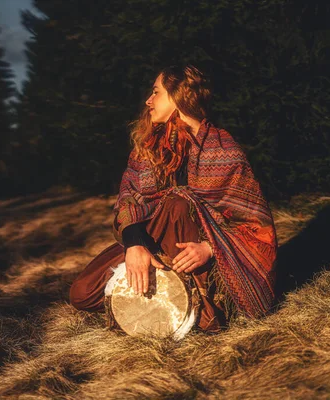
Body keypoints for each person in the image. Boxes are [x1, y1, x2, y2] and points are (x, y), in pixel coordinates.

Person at [69, 65, 277, 332]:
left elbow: (259, 229)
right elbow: (127, 201)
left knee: (178, 203)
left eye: (156, 92)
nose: (148, 100)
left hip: (199, 259)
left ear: (178, 96)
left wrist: (209, 249)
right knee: (82, 293)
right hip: (151, 241)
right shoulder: (148, 148)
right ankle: (161, 291)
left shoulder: (224, 150)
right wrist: (134, 244)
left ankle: (199, 301)